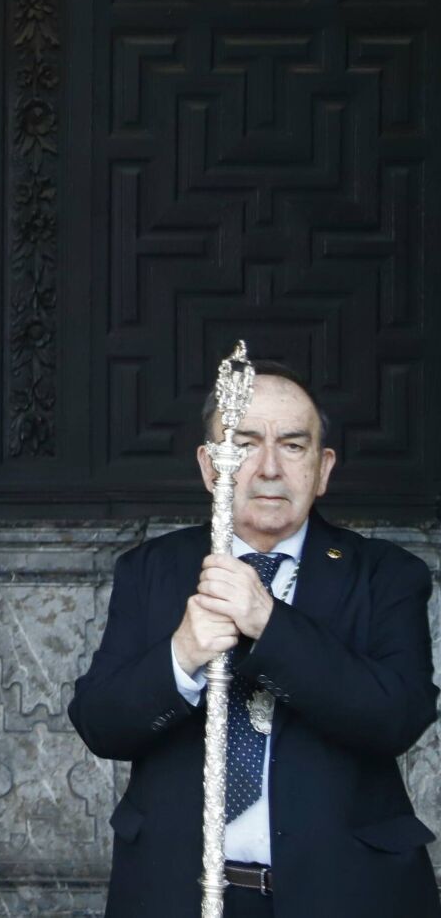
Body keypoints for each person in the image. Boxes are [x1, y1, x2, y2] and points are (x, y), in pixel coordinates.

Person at [68, 361, 439, 917]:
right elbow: (99, 723)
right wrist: (181, 656)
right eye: (243, 444)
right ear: (208, 465)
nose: (268, 468)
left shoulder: (385, 574)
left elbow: (397, 717)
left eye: (292, 446)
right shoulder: (152, 569)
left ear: (322, 469)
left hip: (345, 893)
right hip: (176, 892)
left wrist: (269, 623)